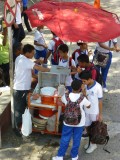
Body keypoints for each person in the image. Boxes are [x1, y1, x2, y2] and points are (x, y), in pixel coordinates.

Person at [13, 44, 50, 136]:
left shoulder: (20, 57)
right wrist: (50, 70)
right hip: (20, 89)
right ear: (28, 53)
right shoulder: (25, 61)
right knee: (19, 110)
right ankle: (17, 128)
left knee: (23, 108)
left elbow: (32, 66)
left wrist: (36, 62)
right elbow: (38, 67)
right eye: (32, 53)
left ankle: (22, 126)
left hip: (21, 88)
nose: (33, 54)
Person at [52, 80, 91, 160]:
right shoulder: (82, 98)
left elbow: (61, 102)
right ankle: (74, 156)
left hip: (67, 122)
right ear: (80, 88)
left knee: (65, 139)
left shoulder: (65, 96)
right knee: (76, 140)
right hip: (79, 123)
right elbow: (89, 106)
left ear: (71, 87)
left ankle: (59, 156)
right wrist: (84, 93)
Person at [79, 70, 103, 153]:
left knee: (94, 129)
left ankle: (93, 145)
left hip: (94, 112)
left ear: (90, 79)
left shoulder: (98, 87)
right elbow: (85, 98)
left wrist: (100, 114)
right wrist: (83, 92)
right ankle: (90, 142)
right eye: (82, 81)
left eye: (84, 81)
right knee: (88, 128)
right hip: (86, 111)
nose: (83, 83)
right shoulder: (85, 86)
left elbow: (100, 101)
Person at [0, 20, 10, 86]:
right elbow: (3, 43)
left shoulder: (6, 36)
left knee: (7, 75)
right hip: (2, 60)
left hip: (7, 59)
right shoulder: (1, 37)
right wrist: (5, 33)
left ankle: (6, 84)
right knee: (3, 74)